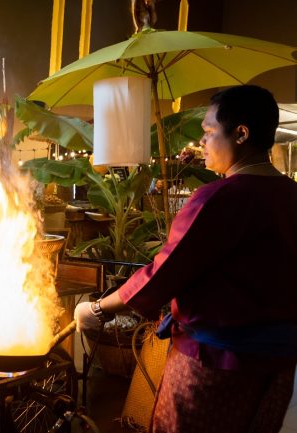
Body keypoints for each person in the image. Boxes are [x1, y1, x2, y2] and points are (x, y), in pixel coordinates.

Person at [74, 85, 297, 432]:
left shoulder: (219, 198)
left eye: (209, 131)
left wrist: (100, 309)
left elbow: (163, 273)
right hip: (278, 365)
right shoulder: (291, 195)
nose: (202, 142)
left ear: (241, 134)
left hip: (215, 366)